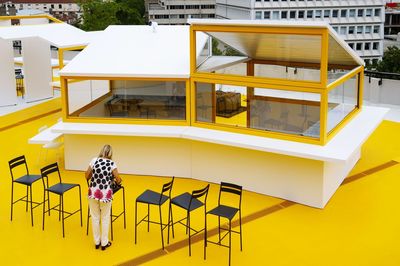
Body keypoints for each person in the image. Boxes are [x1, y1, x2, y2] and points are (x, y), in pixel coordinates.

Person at [85, 144, 122, 250]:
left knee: (95, 217)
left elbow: (87, 175)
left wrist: (95, 177)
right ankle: (104, 243)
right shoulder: (112, 164)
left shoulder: (94, 160)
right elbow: (118, 179)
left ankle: (96, 242)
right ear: (110, 154)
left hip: (93, 193)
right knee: (105, 218)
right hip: (106, 194)